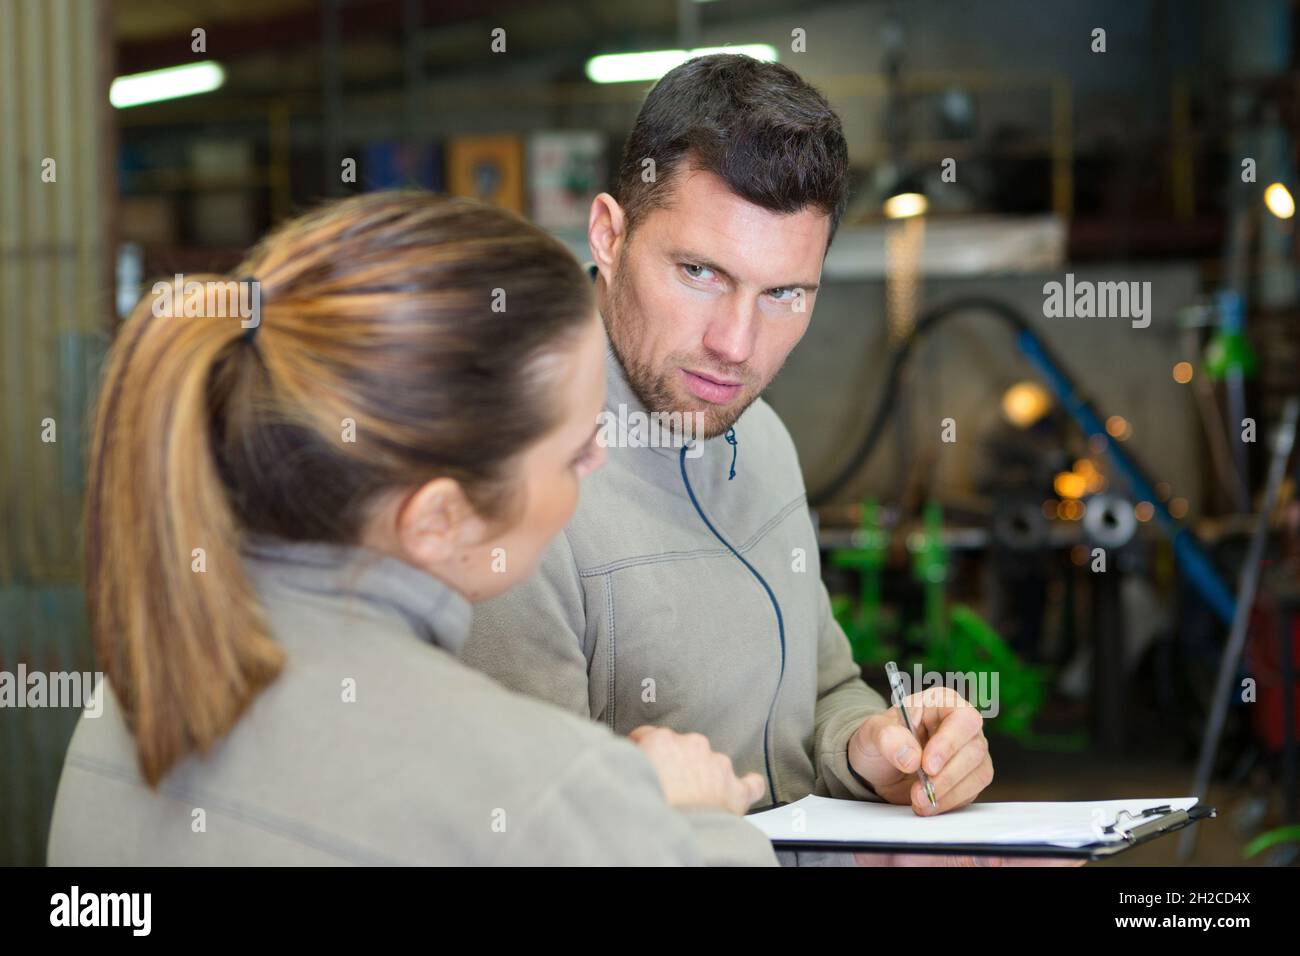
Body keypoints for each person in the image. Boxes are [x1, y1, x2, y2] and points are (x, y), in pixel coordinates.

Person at [47, 191, 776, 866]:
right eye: (574, 449)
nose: (598, 460)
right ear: (439, 519)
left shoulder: (128, 707)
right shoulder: (540, 793)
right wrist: (697, 826)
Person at [462, 55, 996, 857]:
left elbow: (824, 690)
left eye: (786, 294)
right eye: (701, 273)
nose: (737, 348)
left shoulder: (762, 439)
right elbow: (513, 837)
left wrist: (873, 750)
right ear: (609, 235)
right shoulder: (509, 480)